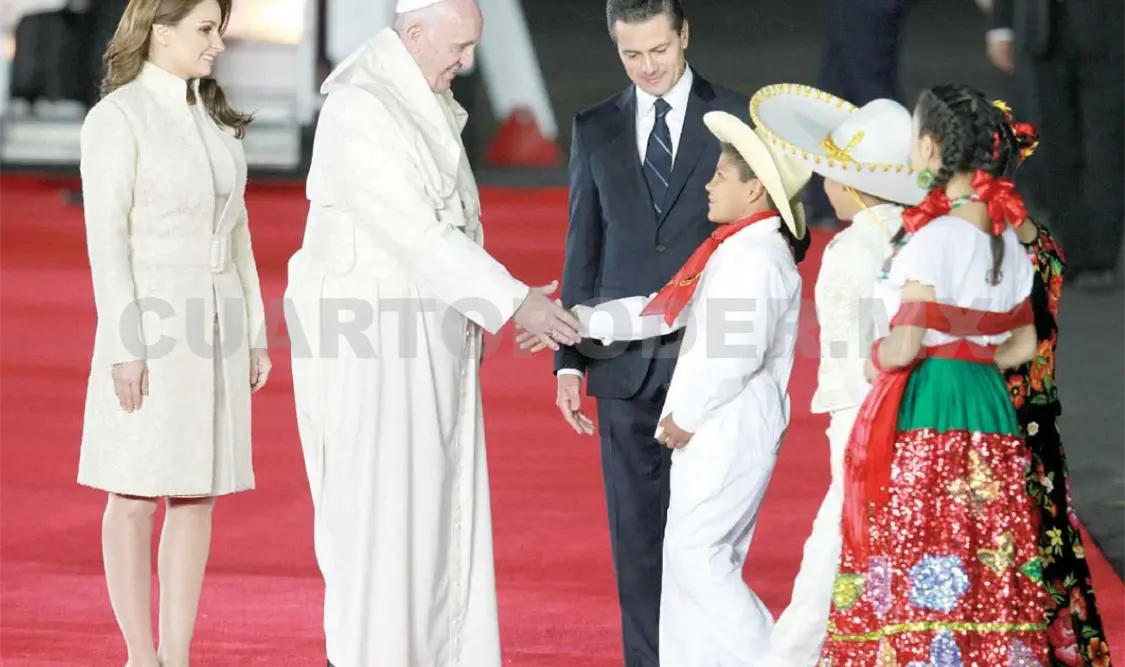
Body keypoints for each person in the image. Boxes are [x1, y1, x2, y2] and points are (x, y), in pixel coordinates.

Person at [282, 0, 581, 665]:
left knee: (431, 525)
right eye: (459, 47)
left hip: (424, 344)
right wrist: (513, 303)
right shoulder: (360, 106)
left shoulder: (416, 93)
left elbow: (453, 225)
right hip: (371, 353)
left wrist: (512, 302)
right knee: (382, 530)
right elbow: (415, 234)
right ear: (413, 34)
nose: (467, 62)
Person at [530, 111, 812, 665]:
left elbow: (736, 351)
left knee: (697, 559)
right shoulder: (737, 247)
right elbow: (664, 311)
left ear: (755, 188)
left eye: (720, 177)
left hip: (727, 422)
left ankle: (780, 660)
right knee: (695, 562)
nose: (708, 185)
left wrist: (684, 414)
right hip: (723, 422)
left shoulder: (755, 257)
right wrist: (579, 321)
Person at [553, 3, 764, 662]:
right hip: (622, 371)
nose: (645, 68)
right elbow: (581, 248)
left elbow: (774, 231)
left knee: (706, 547)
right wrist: (567, 359)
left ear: (684, 37)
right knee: (638, 545)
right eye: (630, 55)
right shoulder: (593, 129)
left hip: (712, 370)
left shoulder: (735, 115)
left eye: (658, 52)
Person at [818, 84, 1050, 665]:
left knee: (922, 543)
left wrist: (878, 359)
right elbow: (1024, 342)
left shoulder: (930, 239)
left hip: (927, 405)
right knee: (985, 547)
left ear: (929, 148)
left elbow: (904, 345)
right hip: (989, 405)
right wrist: (975, 361)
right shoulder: (1007, 243)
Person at [76, 0, 270, 664]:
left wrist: (255, 333)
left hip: (215, 322)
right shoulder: (117, 118)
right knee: (132, 491)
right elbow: (107, 244)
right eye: (205, 30)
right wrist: (126, 346)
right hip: (151, 322)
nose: (218, 44)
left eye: (220, 29)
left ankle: (177, 655)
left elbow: (237, 235)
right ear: (160, 31)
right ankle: (140, 654)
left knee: (196, 491)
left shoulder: (213, 119)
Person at [746, 85, 926, 666]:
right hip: (921, 411)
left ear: (850, 184)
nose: (822, 184)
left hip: (862, 416)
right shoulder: (920, 235)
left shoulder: (850, 249)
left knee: (832, 549)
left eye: (829, 174)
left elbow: (854, 354)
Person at [1007, 212, 1116, 665]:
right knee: (1053, 546)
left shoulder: (979, 243)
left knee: (1009, 549)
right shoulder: (1036, 236)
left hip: (997, 420)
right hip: (1039, 420)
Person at [988, 0, 1125, 290]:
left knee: (1107, 146)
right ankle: (1074, 248)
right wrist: (1001, 25)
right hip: (1044, 29)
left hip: (1112, 30)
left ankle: (1100, 256)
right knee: (1053, 148)